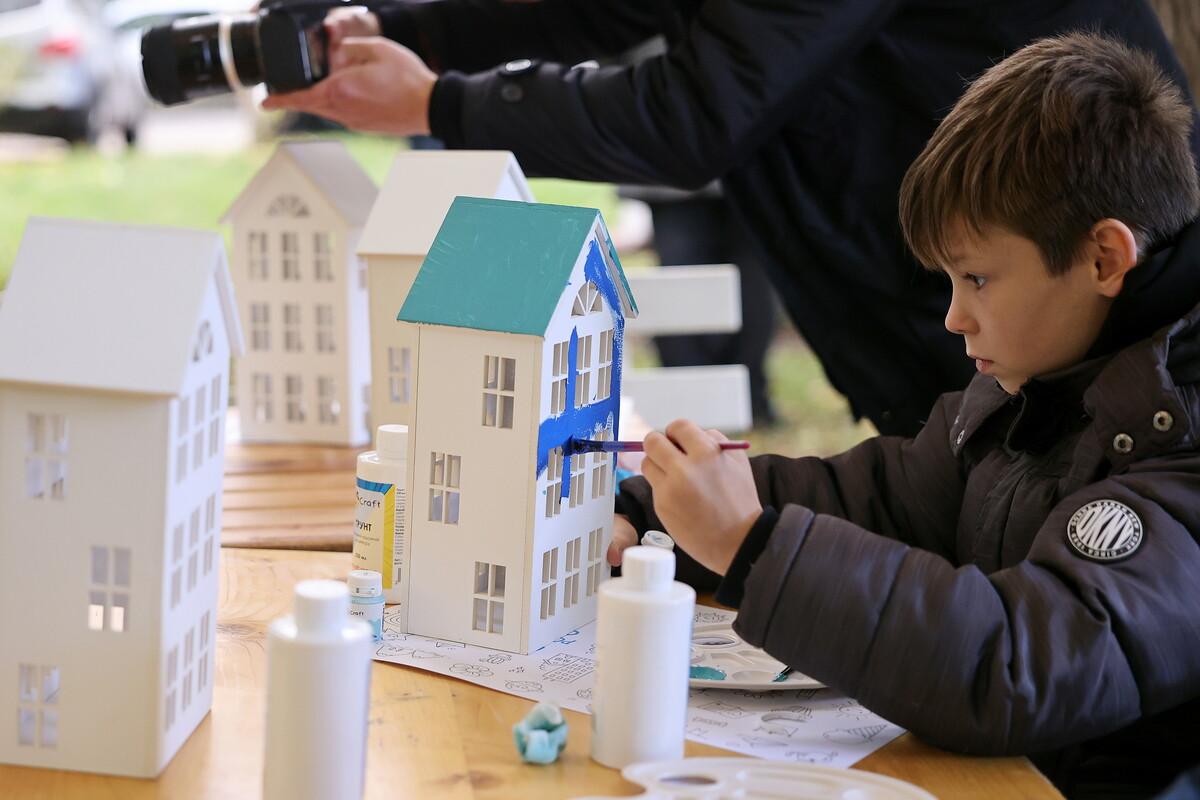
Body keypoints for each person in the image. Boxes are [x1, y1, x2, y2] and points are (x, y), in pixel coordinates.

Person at [609, 32, 1200, 798]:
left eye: (977, 278)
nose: (954, 318)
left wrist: (750, 545)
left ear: (1104, 259)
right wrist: (650, 509)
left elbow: (1014, 667)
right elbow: (883, 498)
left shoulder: (1180, 436)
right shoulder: (1042, 383)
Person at [260, 0, 1199, 437]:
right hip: (940, 284)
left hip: (1082, 301)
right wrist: (398, 31)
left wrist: (441, 104)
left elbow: (700, 111)